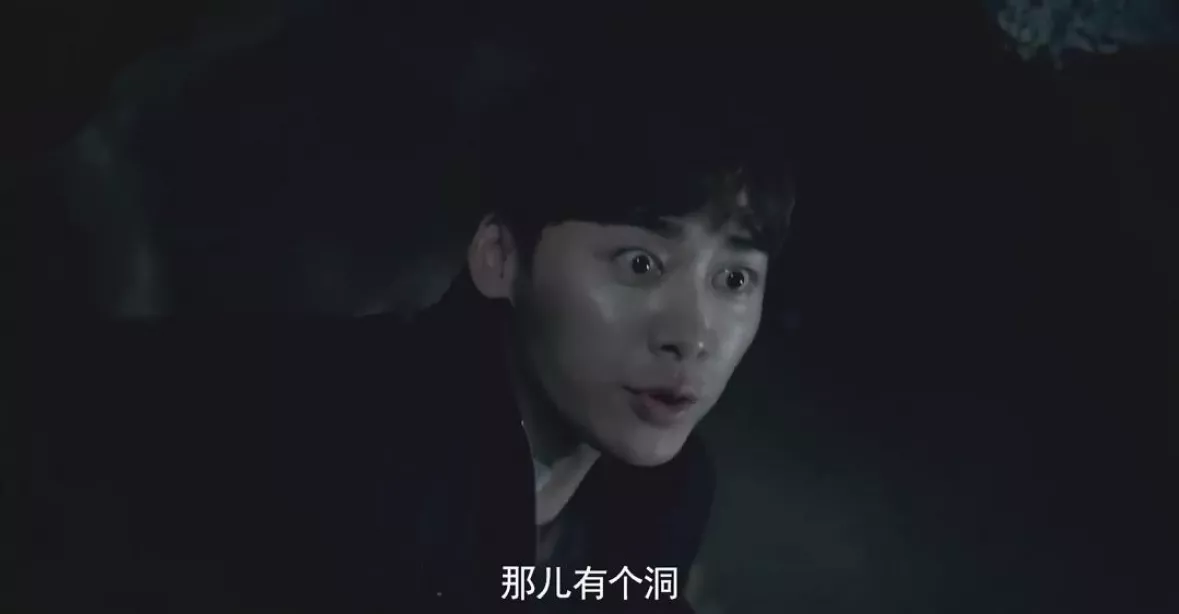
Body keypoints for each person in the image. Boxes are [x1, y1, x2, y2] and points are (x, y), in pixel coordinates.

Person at [17, 36, 796, 614]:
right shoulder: (349, 458)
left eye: (735, 279)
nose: (693, 334)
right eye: (639, 263)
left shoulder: (665, 492)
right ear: (500, 257)